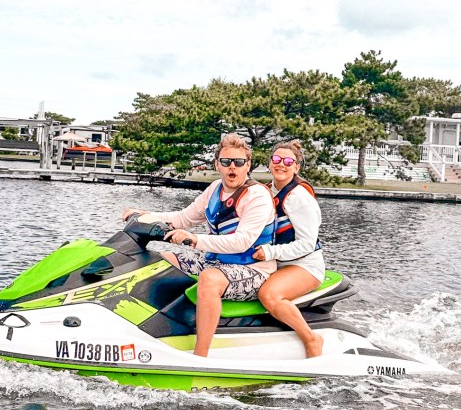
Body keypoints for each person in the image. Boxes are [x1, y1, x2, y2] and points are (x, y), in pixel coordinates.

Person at [122, 133, 275, 357]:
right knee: (162, 260)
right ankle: (158, 328)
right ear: (217, 165)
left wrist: (195, 240)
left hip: (254, 271)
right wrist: (146, 215)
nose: (232, 168)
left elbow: (242, 242)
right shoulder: (214, 189)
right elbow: (184, 218)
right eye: (226, 162)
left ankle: (200, 355)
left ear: (248, 165)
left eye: (239, 162)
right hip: (216, 261)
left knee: (210, 279)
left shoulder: (257, 196)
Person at [252, 140, 326, 357]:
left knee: (269, 295)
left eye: (288, 161)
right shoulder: (266, 192)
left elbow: (307, 244)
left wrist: (270, 251)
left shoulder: (299, 198)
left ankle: (311, 339)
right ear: (269, 163)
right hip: (274, 263)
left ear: (296, 167)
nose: (281, 164)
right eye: (276, 159)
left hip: (304, 265)